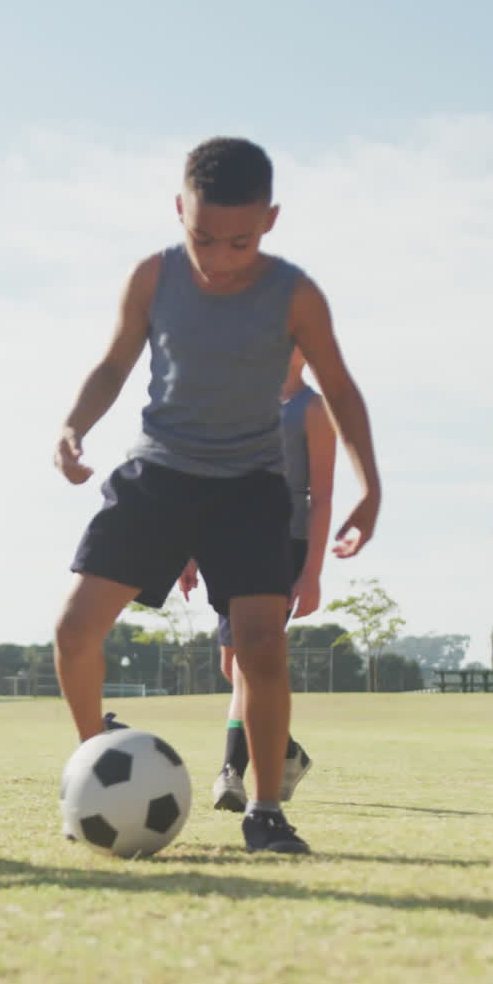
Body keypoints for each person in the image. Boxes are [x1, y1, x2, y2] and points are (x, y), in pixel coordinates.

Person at [53, 137, 380, 857]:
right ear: (179, 211)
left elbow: (344, 390)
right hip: (159, 474)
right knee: (74, 634)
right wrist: (75, 425)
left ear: (270, 220)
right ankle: (93, 769)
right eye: (202, 237)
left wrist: (369, 486)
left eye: (239, 241)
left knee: (261, 651)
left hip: (249, 487)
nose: (219, 257)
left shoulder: (294, 293)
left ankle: (265, 811)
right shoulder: (153, 277)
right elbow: (113, 363)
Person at [179, 347, 336, 812]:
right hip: (226, 543)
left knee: (248, 663)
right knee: (233, 667)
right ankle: (288, 752)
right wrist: (189, 552)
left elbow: (323, 496)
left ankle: (231, 774)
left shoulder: (313, 410)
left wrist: (312, 573)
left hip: (282, 544)